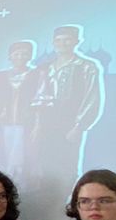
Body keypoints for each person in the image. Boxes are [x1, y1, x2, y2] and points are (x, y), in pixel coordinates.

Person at [31, 25, 105, 189]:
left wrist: (79, 126)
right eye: (58, 40)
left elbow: (92, 98)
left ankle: (66, 201)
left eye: (67, 40)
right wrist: (36, 124)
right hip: (45, 124)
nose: (62, 44)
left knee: (66, 165)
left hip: (70, 124)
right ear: (53, 42)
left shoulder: (86, 66)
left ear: (77, 41)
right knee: (43, 164)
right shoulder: (44, 68)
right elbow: (36, 98)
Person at [0, 40, 38, 175]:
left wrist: (37, 126)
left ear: (30, 56)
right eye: (16, 54)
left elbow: (39, 105)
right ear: (10, 56)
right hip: (0, 125)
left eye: (24, 54)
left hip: (24, 126)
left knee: (20, 158)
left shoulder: (37, 75)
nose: (20, 57)